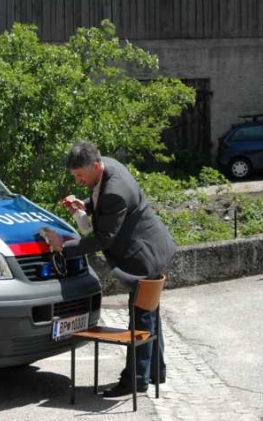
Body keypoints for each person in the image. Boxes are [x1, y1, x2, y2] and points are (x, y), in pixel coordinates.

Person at [45, 140, 176, 397]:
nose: (78, 180)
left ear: (95, 165)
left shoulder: (115, 191)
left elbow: (104, 238)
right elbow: (100, 200)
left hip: (143, 256)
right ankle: (155, 372)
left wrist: (65, 245)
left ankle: (135, 380)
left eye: (80, 175)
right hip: (153, 248)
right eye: (74, 176)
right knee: (148, 314)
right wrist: (86, 206)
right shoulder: (109, 167)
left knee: (141, 317)